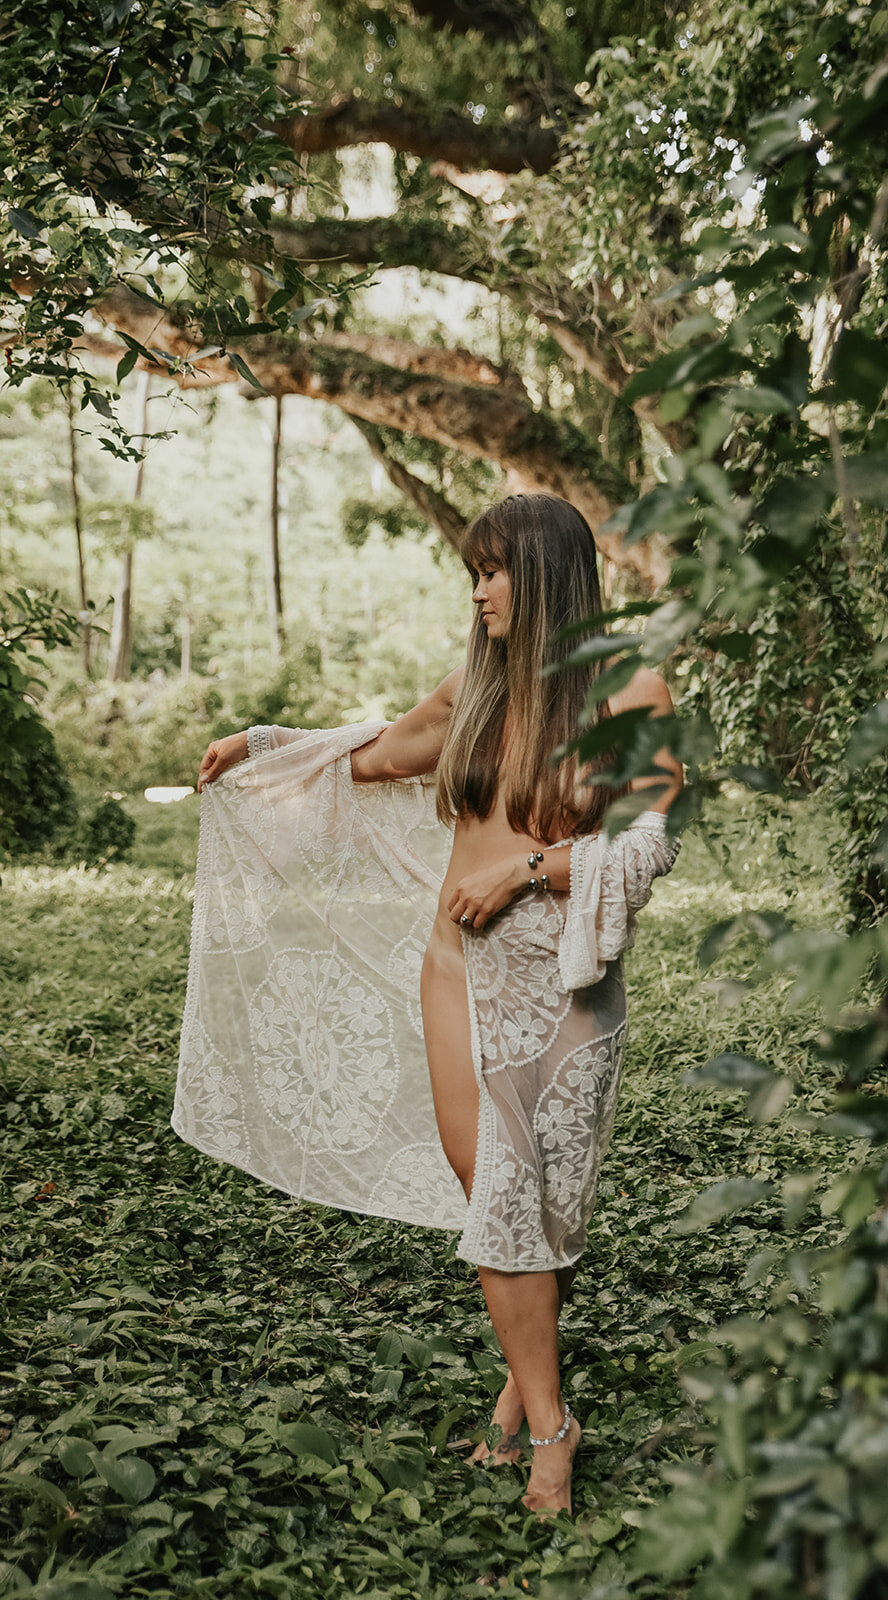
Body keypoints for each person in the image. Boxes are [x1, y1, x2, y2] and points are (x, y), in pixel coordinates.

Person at [181, 493, 682, 1515]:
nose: (480, 591)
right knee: (496, 1188)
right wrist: (262, 742)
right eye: (474, 574)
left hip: (567, 988)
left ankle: (518, 1394)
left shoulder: (632, 691)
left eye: (494, 572)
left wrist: (527, 871)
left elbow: (650, 840)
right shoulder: (476, 692)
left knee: (545, 1203)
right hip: (457, 972)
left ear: (545, 575)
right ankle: (554, 1429)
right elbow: (371, 754)